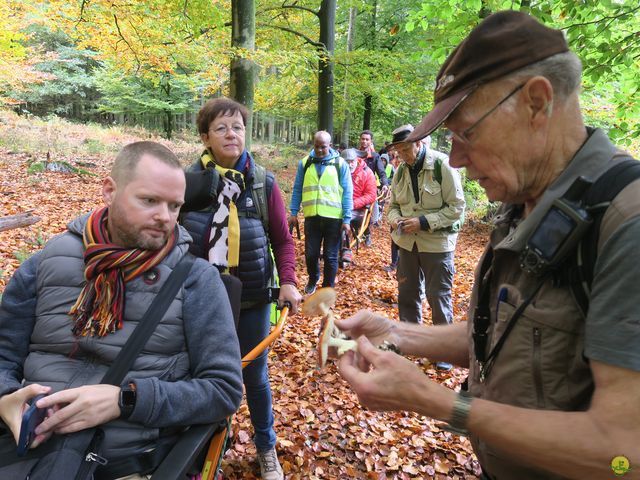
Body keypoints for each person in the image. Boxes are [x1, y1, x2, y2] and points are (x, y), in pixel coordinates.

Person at [335, 11, 640, 480]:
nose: (455, 157)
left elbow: (625, 455)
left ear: (537, 102)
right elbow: (500, 335)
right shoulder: (527, 203)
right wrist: (398, 334)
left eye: (466, 132)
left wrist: (438, 402)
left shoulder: (626, 223)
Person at [0, 141, 243, 478]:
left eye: (175, 206)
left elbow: (223, 390)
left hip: (120, 459)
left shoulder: (196, 281)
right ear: (109, 191)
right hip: (21, 450)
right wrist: (6, 397)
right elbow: (3, 355)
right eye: (149, 200)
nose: (164, 217)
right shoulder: (47, 262)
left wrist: (125, 401)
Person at [180, 97, 302, 480]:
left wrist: (289, 283)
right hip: (199, 302)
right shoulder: (187, 183)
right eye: (221, 128)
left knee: (255, 377)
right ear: (205, 137)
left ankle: (266, 448)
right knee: (202, 376)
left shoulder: (263, 182)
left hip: (251, 301)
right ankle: (208, 446)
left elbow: (282, 240)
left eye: (237, 127)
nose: (231, 134)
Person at [387, 124, 465, 341]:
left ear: (419, 143)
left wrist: (423, 222)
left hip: (437, 245)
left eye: (405, 149)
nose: (401, 155)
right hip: (407, 244)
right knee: (407, 294)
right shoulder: (400, 171)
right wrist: (395, 221)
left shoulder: (443, 165)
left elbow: (457, 208)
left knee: (438, 295)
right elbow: (392, 206)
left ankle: (444, 348)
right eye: (398, 150)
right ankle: (412, 341)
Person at [289, 131, 353, 294]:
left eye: (323, 147)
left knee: (331, 256)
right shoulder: (305, 163)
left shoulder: (340, 164)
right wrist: (294, 212)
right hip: (312, 217)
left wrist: (347, 219)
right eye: (316, 146)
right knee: (311, 254)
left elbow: (347, 192)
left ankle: (327, 288)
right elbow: (297, 189)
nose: (319, 150)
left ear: (330, 146)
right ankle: (313, 278)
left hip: (334, 219)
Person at [343, 148, 377, 243]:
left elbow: (371, 195)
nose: (350, 165)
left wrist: (353, 204)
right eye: (347, 162)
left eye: (352, 161)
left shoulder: (367, 173)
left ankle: (345, 247)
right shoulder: (338, 171)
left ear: (357, 159)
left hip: (358, 208)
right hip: (340, 206)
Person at [359, 130, 389, 232]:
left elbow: (381, 172)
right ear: (360, 140)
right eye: (363, 139)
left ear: (371, 141)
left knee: (369, 210)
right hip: (355, 187)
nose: (364, 141)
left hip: (369, 188)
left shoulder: (375, 156)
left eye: (367, 139)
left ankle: (367, 233)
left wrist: (385, 183)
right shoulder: (355, 154)